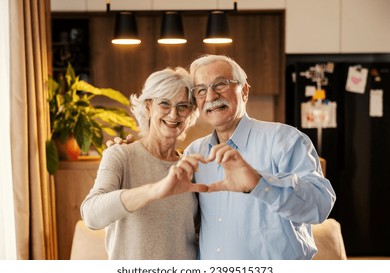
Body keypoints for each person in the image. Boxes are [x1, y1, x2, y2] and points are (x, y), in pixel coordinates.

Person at [109, 54, 336, 260]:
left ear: (244, 90)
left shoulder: (283, 140)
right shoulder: (194, 154)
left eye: (220, 84)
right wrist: (131, 152)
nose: (211, 95)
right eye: (200, 90)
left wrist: (260, 184)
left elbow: (321, 205)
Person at [80, 67, 205, 260]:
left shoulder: (191, 167)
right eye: (164, 104)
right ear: (148, 107)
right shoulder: (121, 155)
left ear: (191, 113)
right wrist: (155, 190)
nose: (173, 114)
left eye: (183, 106)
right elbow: (91, 215)